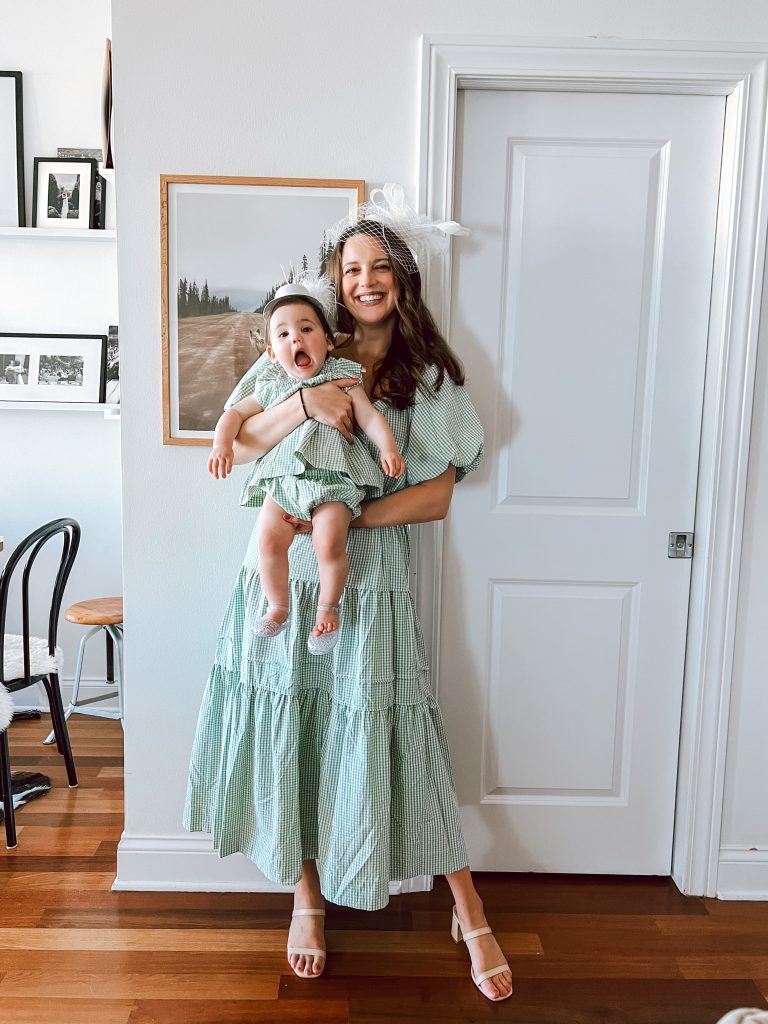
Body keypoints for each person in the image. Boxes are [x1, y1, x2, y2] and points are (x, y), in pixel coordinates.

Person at [183, 194, 513, 1002]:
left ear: (401, 280)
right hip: (280, 580)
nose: (364, 281)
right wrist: (303, 401)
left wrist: (346, 514)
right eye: (350, 269)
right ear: (335, 281)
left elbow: (434, 496)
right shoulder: (298, 351)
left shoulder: (423, 377)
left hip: (369, 579)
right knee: (291, 727)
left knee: (394, 731)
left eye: (378, 269)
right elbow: (245, 442)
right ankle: (305, 898)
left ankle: (467, 907)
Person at [207, 281, 406, 652]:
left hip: (332, 481)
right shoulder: (271, 385)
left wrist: (388, 449)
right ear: (271, 352)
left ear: (328, 342)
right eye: (283, 334)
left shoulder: (343, 377)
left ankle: (328, 608)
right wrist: (221, 446)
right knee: (269, 539)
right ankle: (277, 606)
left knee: (329, 543)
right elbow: (233, 415)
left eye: (306, 329)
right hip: (284, 482)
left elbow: (371, 418)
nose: (295, 338)